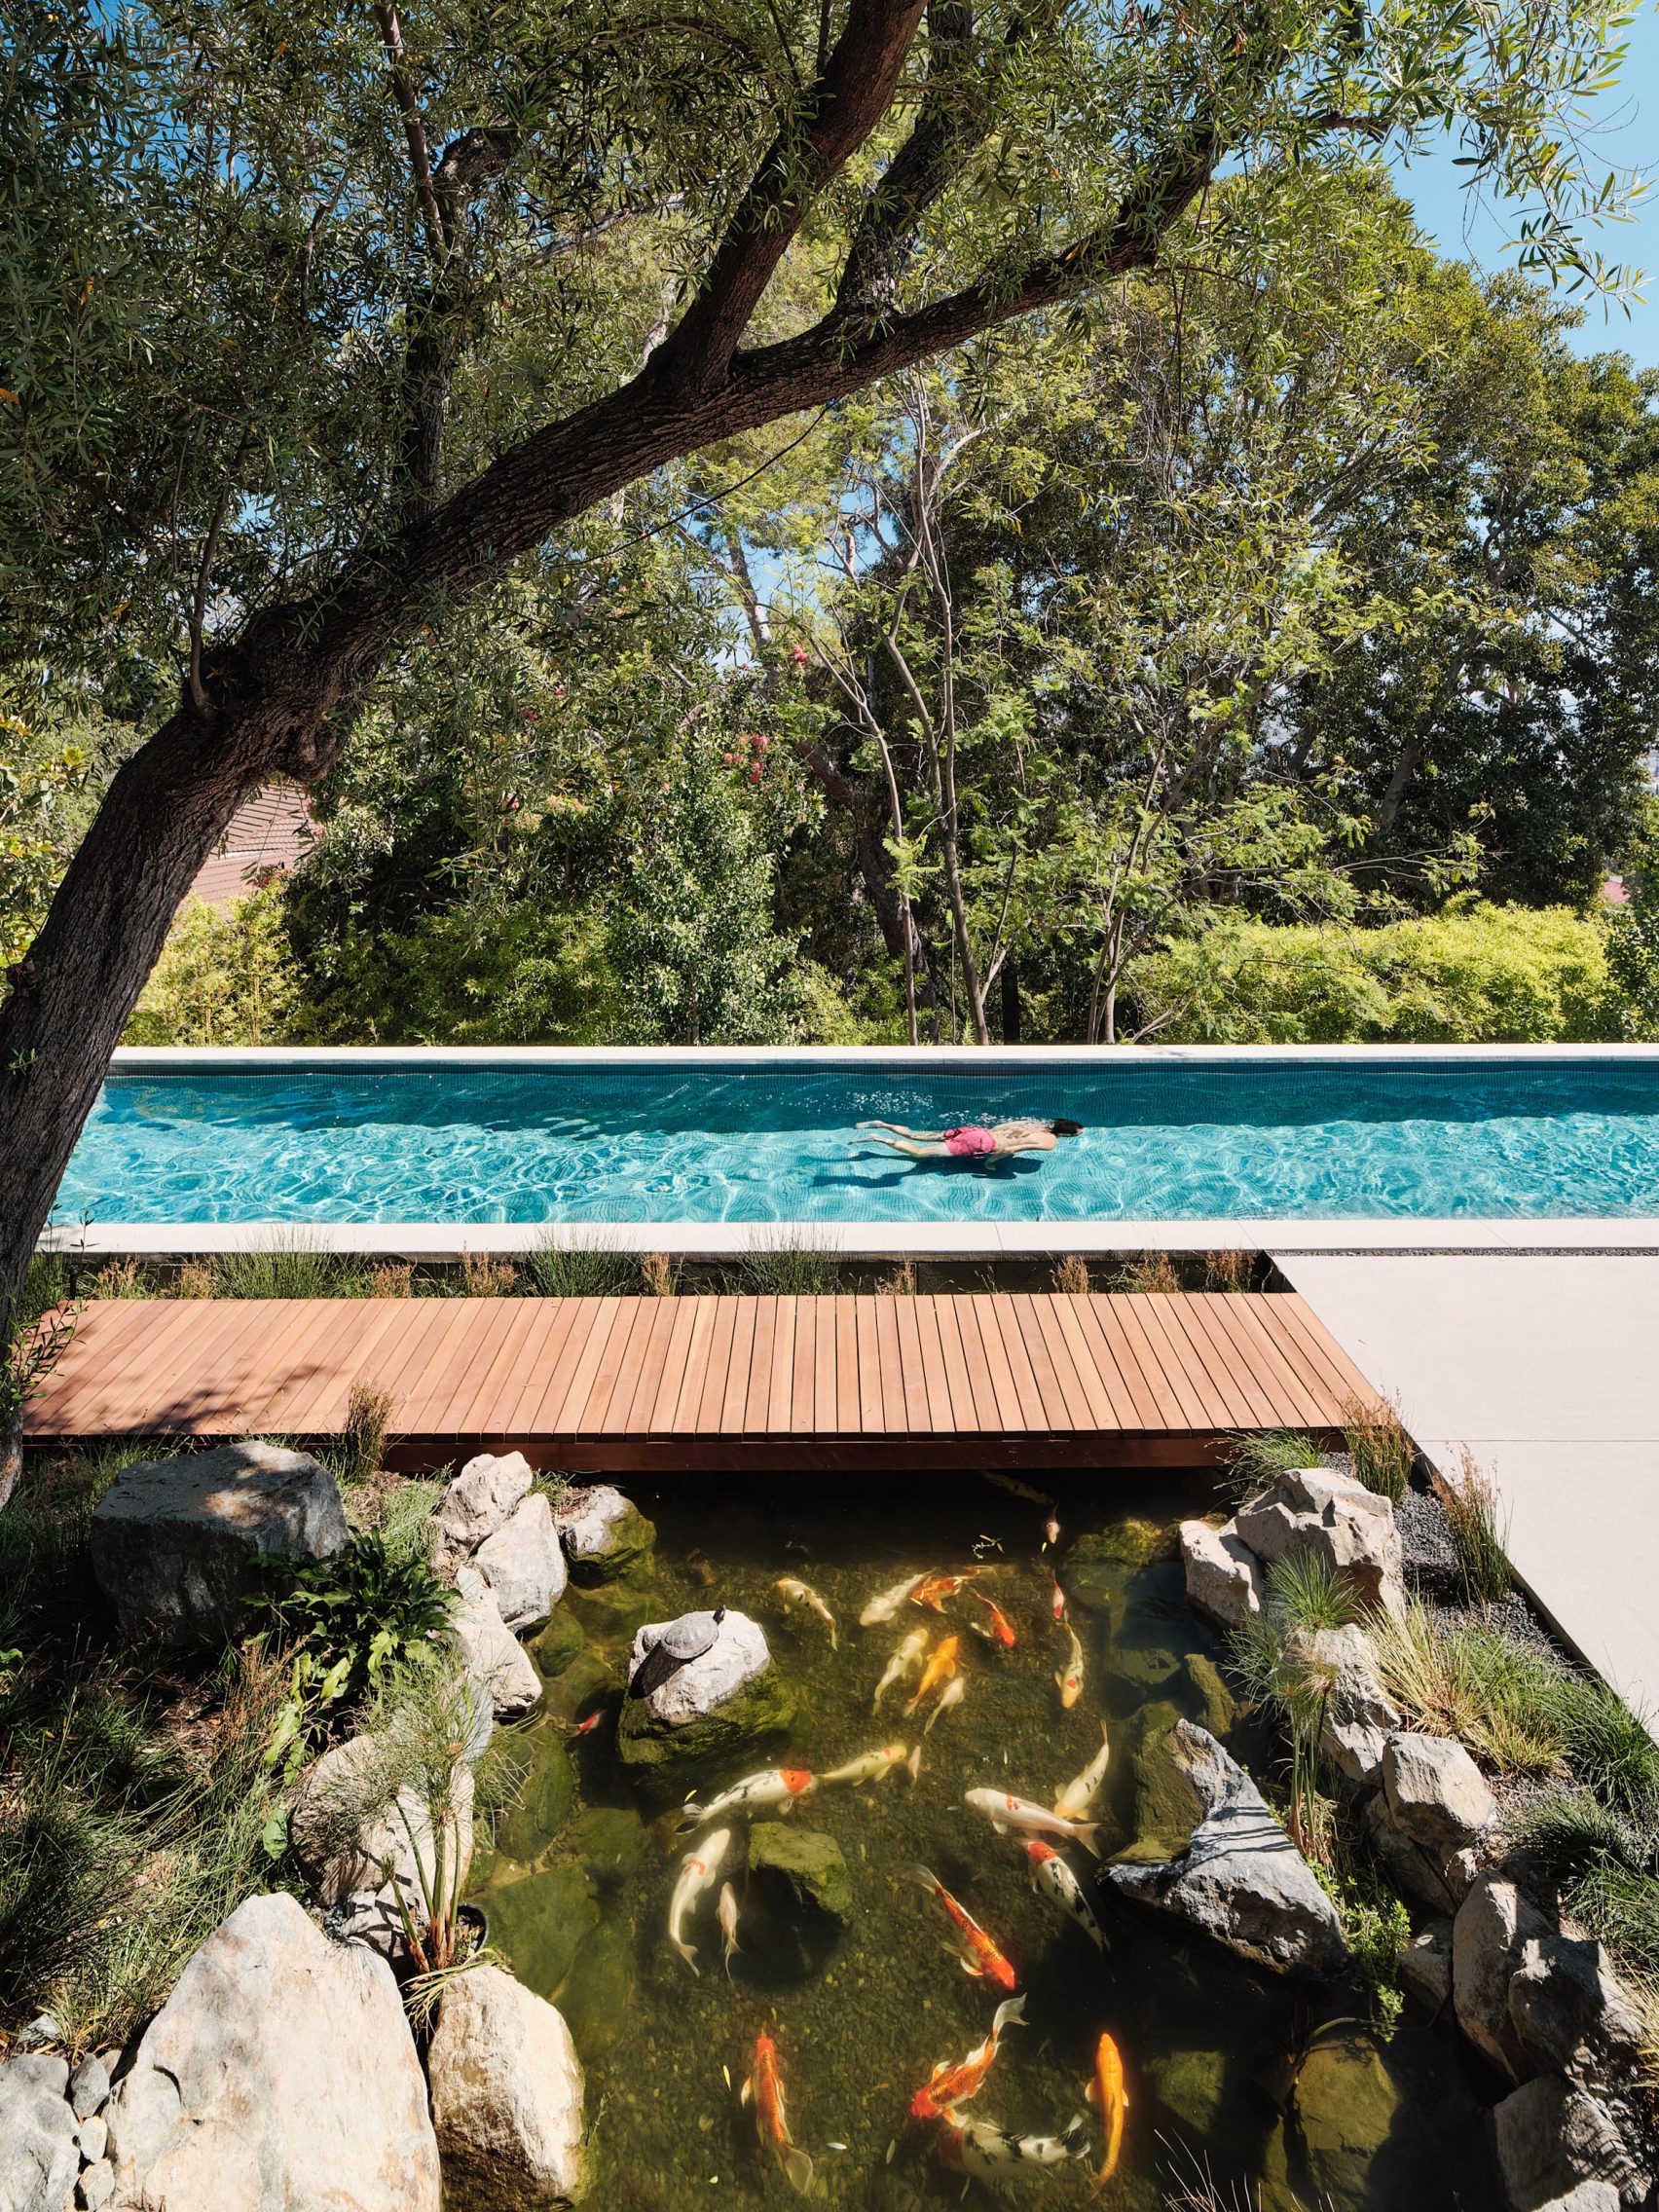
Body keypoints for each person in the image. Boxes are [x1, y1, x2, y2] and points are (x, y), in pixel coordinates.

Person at [856, 1115, 1084, 1162]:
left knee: (916, 1135)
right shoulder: (1049, 1142)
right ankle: (878, 1139)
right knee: (918, 1152)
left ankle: (882, 1124)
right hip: (981, 1143)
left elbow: (1003, 1126)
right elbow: (1014, 1148)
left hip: (977, 1132)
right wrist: (990, 1163)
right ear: (1065, 1134)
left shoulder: (1037, 1124)